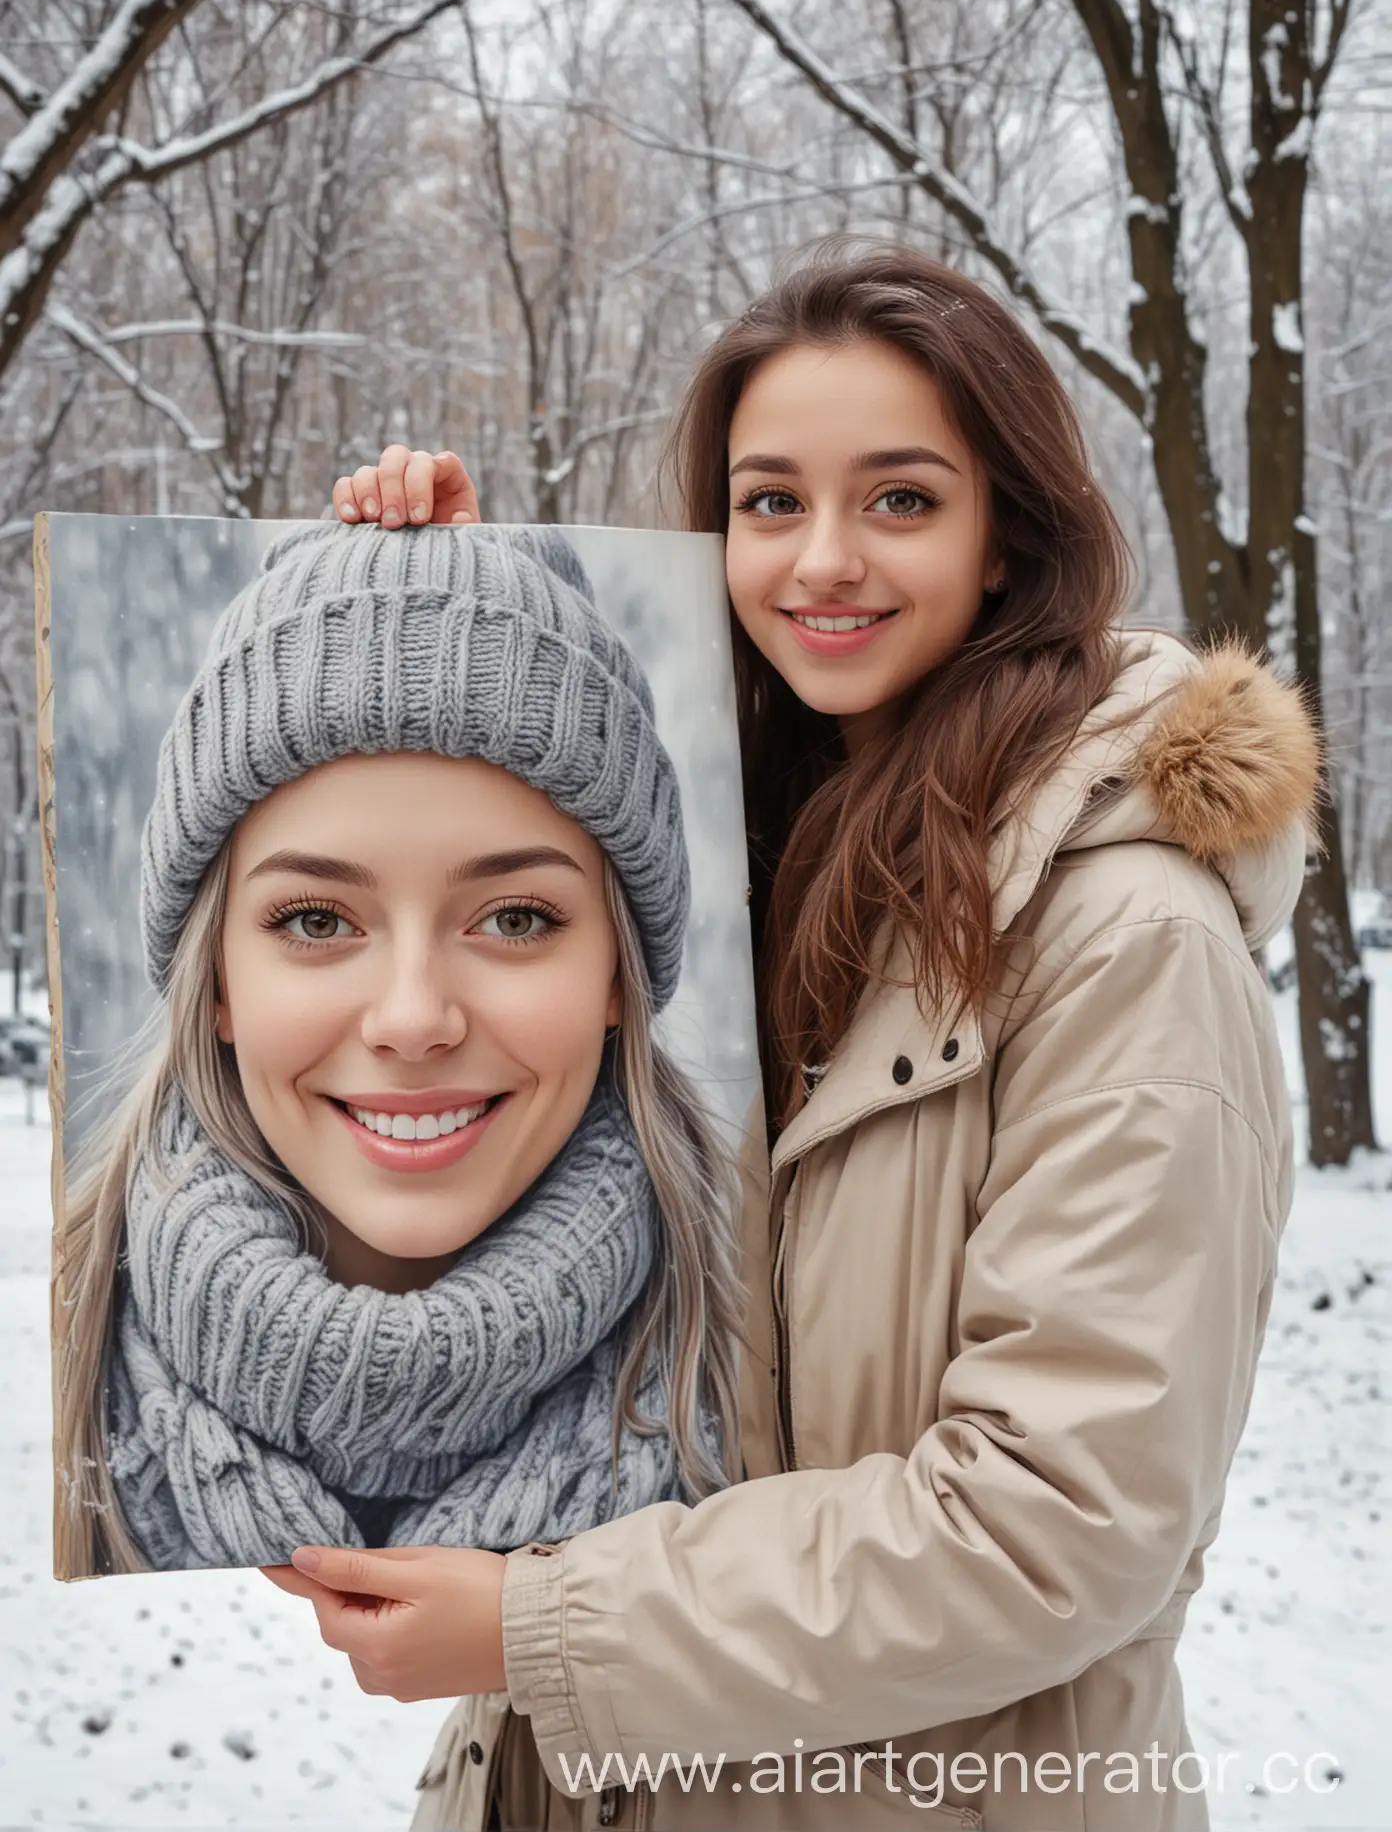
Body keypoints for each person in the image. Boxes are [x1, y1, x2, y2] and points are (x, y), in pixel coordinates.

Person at [275, 239, 1319, 1832]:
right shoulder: (716, 866)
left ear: (1005, 536)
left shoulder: (1126, 940)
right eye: (770, 503)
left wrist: (541, 1627)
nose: (822, 559)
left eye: (899, 498)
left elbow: (1060, 1524)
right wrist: (445, 618)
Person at [54, 519, 743, 1579]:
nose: (414, 1019)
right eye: (318, 922)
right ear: (220, 982)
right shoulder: (49, 1378)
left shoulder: (785, 1370)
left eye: (515, 918)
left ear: (618, 977)